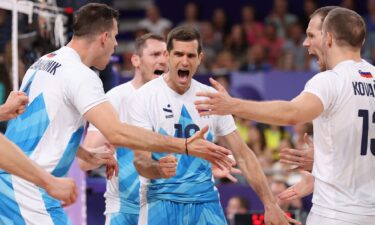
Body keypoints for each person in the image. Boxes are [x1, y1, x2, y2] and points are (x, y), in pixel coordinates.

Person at [0, 3, 232, 225]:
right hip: (29, 189)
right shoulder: (82, 76)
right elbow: (117, 132)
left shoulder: (43, 62)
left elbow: (39, 124)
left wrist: (81, 152)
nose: (115, 45)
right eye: (115, 37)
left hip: (11, 180)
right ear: (104, 37)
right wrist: (184, 145)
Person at [195, 7, 375, 225]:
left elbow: (292, 113)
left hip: (335, 214)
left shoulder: (330, 80)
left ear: (328, 38)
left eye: (311, 36)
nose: (306, 44)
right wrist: (323, 167)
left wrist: (232, 105)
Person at [130, 26, 299, 225]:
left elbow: (243, 155)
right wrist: (158, 169)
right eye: (179, 54)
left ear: (200, 58)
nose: (185, 61)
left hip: (205, 202)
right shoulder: (144, 97)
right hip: (161, 202)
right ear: (167, 56)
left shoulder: (212, 98)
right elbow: (141, 161)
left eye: (191, 55)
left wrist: (270, 204)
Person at [78, 33, 168, 225]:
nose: (162, 60)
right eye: (155, 55)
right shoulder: (116, 99)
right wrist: (103, 153)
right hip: (124, 209)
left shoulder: (174, 101)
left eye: (166, 55)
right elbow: (84, 162)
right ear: (136, 60)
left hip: (164, 208)